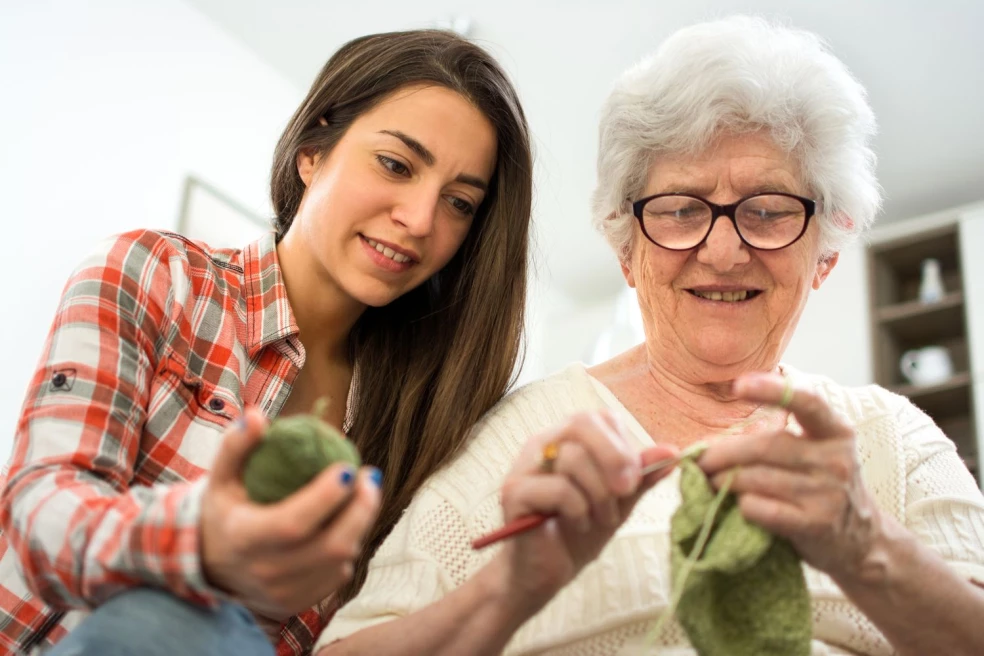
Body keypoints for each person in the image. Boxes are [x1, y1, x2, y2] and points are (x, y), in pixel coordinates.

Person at [314, 16, 984, 656]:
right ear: (627, 251)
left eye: (770, 211)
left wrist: (867, 548)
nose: (724, 251)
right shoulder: (523, 440)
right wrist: (507, 589)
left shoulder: (894, 438)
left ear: (826, 254)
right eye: (681, 209)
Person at [0, 29, 533, 656]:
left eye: (460, 203)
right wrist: (202, 544)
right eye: (395, 165)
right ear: (313, 150)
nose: (421, 220)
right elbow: (38, 514)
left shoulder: (417, 429)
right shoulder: (157, 276)